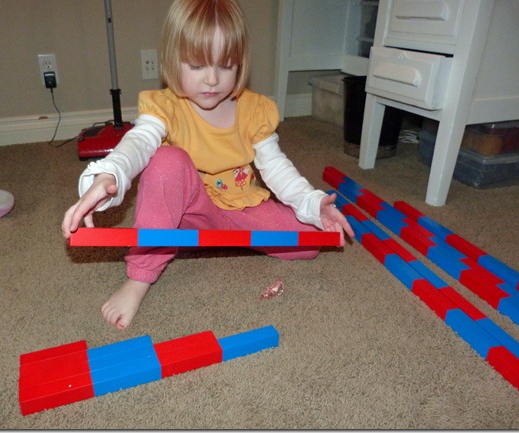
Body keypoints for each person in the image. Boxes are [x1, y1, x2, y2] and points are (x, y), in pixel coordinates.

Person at [62, 0, 354, 330]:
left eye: (226, 65)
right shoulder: (166, 106)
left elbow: (277, 169)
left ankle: (205, 237)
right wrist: (109, 174)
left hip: (240, 208)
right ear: (172, 61)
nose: (212, 79)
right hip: (189, 210)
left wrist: (313, 204)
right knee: (166, 161)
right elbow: (138, 142)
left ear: (240, 63)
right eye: (198, 65)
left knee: (311, 241)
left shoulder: (254, 110)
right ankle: (140, 277)